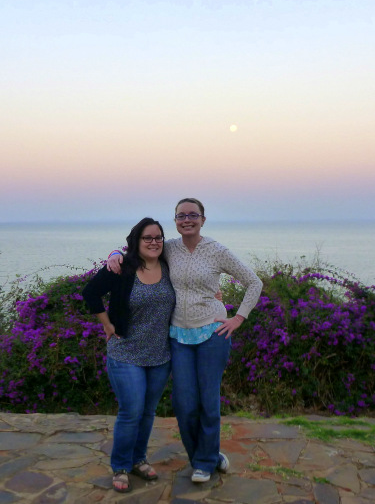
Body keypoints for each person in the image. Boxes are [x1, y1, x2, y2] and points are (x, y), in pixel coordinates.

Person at [108, 198, 262, 483]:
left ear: (203, 219)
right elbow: (139, 248)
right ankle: (208, 456)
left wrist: (238, 318)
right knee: (185, 403)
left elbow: (254, 282)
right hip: (178, 335)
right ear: (176, 220)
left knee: (208, 401)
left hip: (212, 333)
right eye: (181, 215)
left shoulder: (217, 251)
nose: (187, 219)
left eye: (193, 215)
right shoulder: (169, 249)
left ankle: (203, 463)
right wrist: (115, 253)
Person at [82, 217, 176, 493]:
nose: (154, 242)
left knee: (147, 412)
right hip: (126, 353)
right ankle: (121, 466)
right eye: (147, 237)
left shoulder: (169, 266)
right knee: (131, 411)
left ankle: (138, 459)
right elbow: (90, 293)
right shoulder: (123, 268)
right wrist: (107, 324)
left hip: (160, 356)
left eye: (158, 237)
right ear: (136, 241)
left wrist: (214, 294)